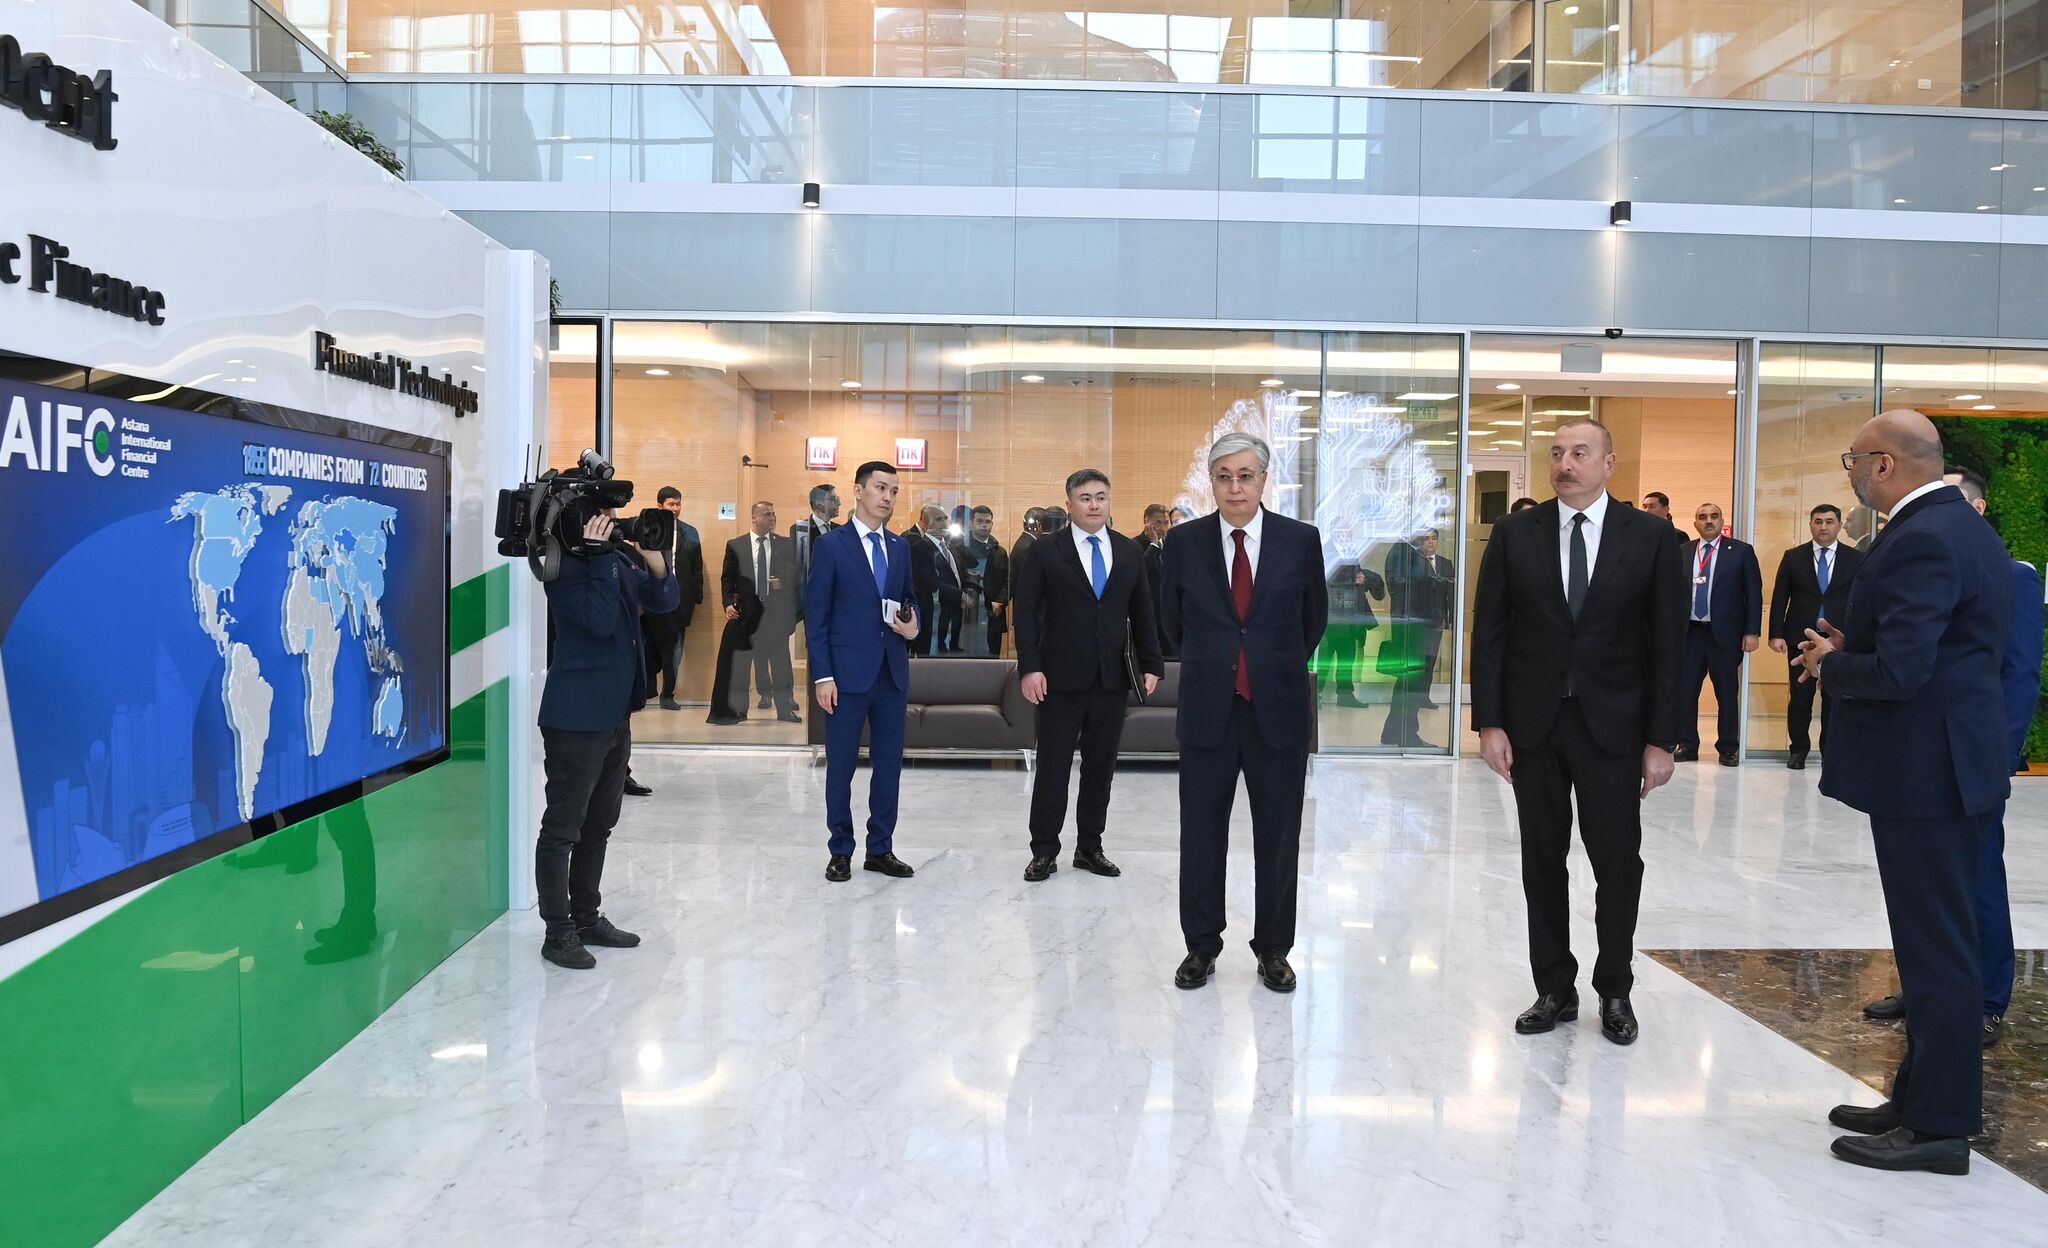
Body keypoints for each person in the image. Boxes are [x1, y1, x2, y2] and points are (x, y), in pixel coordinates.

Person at [1800, 411, 2013, 1176]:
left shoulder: (1922, 536)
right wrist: (1854, 647)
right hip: (1950, 766)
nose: (1851, 473)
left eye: (1854, 459)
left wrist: (1831, 664)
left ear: (1885, 464)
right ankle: (1918, 1098)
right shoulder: (1961, 527)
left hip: (1929, 774)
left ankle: (1938, 1128)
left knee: (1937, 954)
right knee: (1936, 946)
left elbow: (1903, 672)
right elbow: (1940, 649)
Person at [1471, 417, 1686, 1045]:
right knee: (1541, 859)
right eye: (1558, 453)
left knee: (1616, 861)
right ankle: (1553, 988)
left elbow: (1669, 644)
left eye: (1580, 453)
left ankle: (1614, 988)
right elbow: (1491, 632)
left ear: (1609, 463)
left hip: (1614, 728)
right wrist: (1490, 721)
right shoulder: (1515, 533)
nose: (1566, 464)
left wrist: (1662, 739)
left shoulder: (1649, 536)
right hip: (1534, 725)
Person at [1862, 466, 2044, 1050]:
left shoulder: (2012, 575)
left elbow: (2018, 675)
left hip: (1974, 761)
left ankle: (1986, 999)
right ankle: (1927, 991)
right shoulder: (1938, 566)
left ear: (1978, 508)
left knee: (1978, 880)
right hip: (1928, 759)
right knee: (1929, 890)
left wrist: (1998, 756)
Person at [1160, 433, 1328, 994]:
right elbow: (1169, 622)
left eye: (1246, 475)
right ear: (1211, 482)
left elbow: (1313, 620)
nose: (1235, 487)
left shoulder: (1299, 540)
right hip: (1208, 708)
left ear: (1263, 479)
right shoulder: (1183, 542)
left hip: (1277, 709)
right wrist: (1219, 662)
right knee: (1200, 834)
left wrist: (1268, 663)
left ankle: (1274, 949)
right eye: (1224, 476)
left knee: (1278, 836)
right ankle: (1200, 946)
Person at [535, 508, 680, 969]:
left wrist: (656, 559)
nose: (614, 522)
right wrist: (599, 555)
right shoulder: (560, 563)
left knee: (600, 824)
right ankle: (558, 933)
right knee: (563, 829)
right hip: (576, 716)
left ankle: (586, 918)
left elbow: (664, 602)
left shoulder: (617, 557)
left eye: (614, 513)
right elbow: (597, 621)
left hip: (615, 712)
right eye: (603, 514)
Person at [1014, 469, 1164, 883]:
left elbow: (1143, 611)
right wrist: (1030, 667)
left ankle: (1090, 847)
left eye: (1100, 497)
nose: (1094, 504)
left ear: (1109, 501)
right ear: (1069, 505)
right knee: (1053, 768)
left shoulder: (1128, 551)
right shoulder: (1045, 551)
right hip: (1058, 678)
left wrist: (1152, 664)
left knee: (1100, 768)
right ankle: (1044, 850)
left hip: (1111, 678)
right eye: (1085, 498)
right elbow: (1025, 613)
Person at [807, 461, 923, 882]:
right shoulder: (831, 545)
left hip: (891, 674)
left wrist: (914, 625)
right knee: (841, 767)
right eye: (880, 488)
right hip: (844, 677)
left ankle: (881, 849)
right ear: (858, 491)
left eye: (893, 490)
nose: (887, 496)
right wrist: (823, 676)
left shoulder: (900, 547)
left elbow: (910, 598)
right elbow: (816, 615)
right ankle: (840, 850)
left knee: (889, 766)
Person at [1767, 503, 1862, 769]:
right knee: (1800, 697)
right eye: (1818, 521)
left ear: (1839, 525)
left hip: (1837, 639)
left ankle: (1830, 751)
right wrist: (1776, 634)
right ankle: (1798, 750)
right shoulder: (1793, 557)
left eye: (1829, 521)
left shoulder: (1855, 558)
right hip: (1802, 637)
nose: (1823, 527)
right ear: (1810, 525)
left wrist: (1857, 635)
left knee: (1833, 697)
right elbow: (1780, 597)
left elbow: (1860, 600)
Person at [1677, 503, 1762, 766]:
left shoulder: (1741, 551)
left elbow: (1753, 594)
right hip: (1690, 633)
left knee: (1726, 693)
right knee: (1685, 692)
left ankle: (1728, 748)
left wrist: (1752, 631)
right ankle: (1687, 745)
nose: (1708, 521)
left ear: (1722, 521)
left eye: (1714, 516)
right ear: (1695, 523)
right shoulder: (1683, 551)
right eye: (1702, 517)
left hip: (1725, 635)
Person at [723, 502, 801, 722]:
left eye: (774, 514)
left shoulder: (785, 544)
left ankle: (785, 709)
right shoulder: (736, 545)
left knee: (780, 663)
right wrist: (728, 604)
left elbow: (795, 572)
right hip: (747, 615)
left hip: (774, 614)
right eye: (767, 514)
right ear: (754, 518)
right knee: (742, 664)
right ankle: (739, 709)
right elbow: (727, 578)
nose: (772, 518)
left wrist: (782, 580)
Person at [1381, 529, 1454, 747]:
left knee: (1410, 680)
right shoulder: (1403, 552)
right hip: (1413, 626)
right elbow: (1405, 587)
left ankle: (1392, 732)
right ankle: (1407, 734)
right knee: (1412, 680)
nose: (1427, 541)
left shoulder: (1409, 552)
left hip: (1421, 624)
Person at [645, 485, 706, 713]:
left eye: (678, 504)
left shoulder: (690, 532)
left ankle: (668, 694)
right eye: (671, 504)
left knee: (674, 649)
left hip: (680, 600)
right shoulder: (649, 531)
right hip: (653, 599)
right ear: (659, 505)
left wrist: (697, 597)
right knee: (651, 646)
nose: (675, 508)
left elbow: (697, 568)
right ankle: (645, 690)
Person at [1319, 557, 1383, 708]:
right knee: (1327, 661)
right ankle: (1321, 694)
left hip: (1344, 622)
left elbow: (1379, 592)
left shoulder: (1354, 569)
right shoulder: (1330, 567)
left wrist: (1364, 581)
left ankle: (1342, 695)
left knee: (1343, 661)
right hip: (1331, 621)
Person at [961, 505, 1008, 657]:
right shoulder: (960, 548)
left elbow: (1008, 581)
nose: (984, 525)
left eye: (987, 522)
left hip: (992, 611)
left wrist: (1000, 602)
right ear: (971, 523)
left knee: (992, 655)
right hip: (965, 611)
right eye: (979, 521)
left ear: (992, 524)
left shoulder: (1000, 552)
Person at [791, 482, 840, 592]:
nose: (839, 503)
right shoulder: (801, 529)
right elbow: (801, 566)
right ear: (819, 504)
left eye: (838, 499)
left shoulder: (839, 530)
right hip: (812, 589)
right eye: (833, 499)